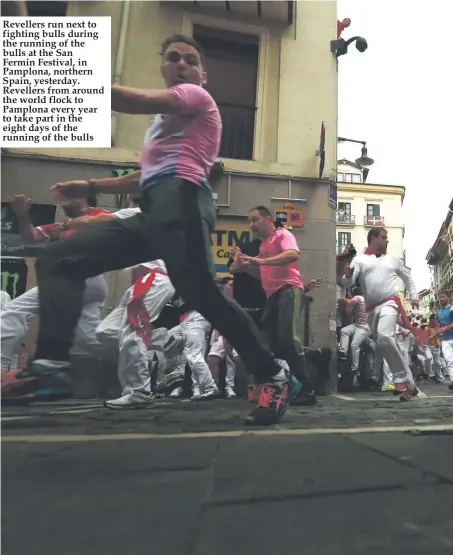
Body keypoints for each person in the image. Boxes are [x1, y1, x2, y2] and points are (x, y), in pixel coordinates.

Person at [28, 34, 289, 425]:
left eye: (189, 60)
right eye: (173, 58)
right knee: (59, 258)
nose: (181, 64)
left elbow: (133, 100)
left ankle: (273, 374)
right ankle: (50, 364)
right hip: (151, 212)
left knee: (205, 296)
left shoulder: (195, 98)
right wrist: (92, 187)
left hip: (183, 202)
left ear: (202, 75)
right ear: (163, 67)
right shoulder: (160, 125)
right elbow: (144, 175)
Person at [1, 194, 110, 377]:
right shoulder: (62, 224)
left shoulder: (99, 215)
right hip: (82, 283)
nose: (63, 201)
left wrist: (68, 227)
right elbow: (31, 237)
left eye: (69, 196)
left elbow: (100, 226)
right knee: (90, 337)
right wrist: (22, 215)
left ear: (84, 198)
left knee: (13, 311)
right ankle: (140, 358)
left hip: (82, 277)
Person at [231, 206, 323, 406]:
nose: (251, 225)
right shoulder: (264, 245)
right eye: (250, 221)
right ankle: (288, 386)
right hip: (272, 296)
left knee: (287, 338)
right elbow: (261, 273)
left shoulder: (283, 234)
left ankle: (307, 389)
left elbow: (292, 255)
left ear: (267, 219)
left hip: (290, 289)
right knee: (268, 345)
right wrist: (246, 266)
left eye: (255, 220)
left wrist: (257, 260)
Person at [343, 227, 420, 400]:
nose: (387, 241)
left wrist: (414, 296)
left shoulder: (393, 259)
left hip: (390, 302)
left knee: (385, 336)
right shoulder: (359, 259)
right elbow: (347, 282)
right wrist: (347, 275)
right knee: (382, 343)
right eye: (384, 237)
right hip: (371, 309)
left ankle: (400, 379)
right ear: (373, 239)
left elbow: (407, 277)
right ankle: (410, 384)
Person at [96, 259, 175, 409]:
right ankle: (150, 348)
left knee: (132, 333)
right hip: (143, 281)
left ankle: (140, 392)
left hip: (154, 280)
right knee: (105, 331)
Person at [338, 285, 370, 386]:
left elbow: (350, 302)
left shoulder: (360, 298)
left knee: (354, 345)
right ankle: (343, 352)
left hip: (364, 327)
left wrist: (341, 300)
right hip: (357, 325)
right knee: (344, 331)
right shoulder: (364, 301)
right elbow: (350, 314)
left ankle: (354, 368)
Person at [433, 291, 453, 390]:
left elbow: (443, 327)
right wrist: (437, 338)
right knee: (449, 361)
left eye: (443, 297)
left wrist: (445, 328)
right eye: (439, 297)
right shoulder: (438, 312)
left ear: (448, 297)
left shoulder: (452, 308)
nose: (440, 299)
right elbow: (438, 327)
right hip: (445, 340)